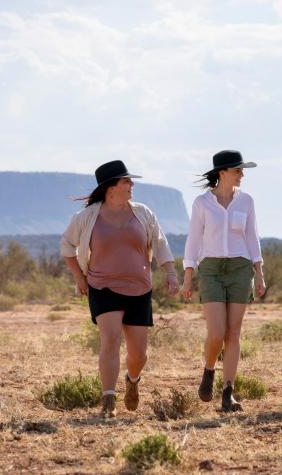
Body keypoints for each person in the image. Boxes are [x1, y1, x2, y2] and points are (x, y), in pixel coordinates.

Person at [60, 160, 179, 419]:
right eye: (126, 181)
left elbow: (160, 244)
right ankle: (108, 400)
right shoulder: (86, 217)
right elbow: (67, 247)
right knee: (110, 340)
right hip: (102, 286)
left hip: (139, 289)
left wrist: (170, 272)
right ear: (111, 188)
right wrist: (80, 278)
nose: (132, 185)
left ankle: (132, 380)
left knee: (139, 354)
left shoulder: (143, 213)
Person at [181, 150, 266, 412]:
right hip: (211, 269)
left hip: (241, 268)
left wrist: (259, 274)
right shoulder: (202, 203)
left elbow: (252, 237)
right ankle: (209, 370)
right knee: (217, 332)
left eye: (242, 170)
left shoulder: (247, 201)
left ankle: (228, 392)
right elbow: (194, 240)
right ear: (222, 173)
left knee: (234, 333)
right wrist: (188, 276)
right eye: (237, 170)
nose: (242, 174)